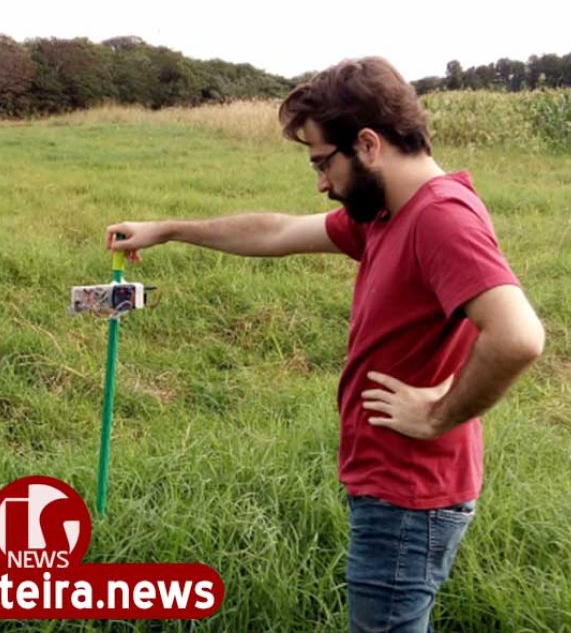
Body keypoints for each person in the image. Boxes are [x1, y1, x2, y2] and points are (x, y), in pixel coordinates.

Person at [105, 56, 545, 632]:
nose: (320, 183)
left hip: (409, 494)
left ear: (367, 143)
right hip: (394, 485)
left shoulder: (440, 217)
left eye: (322, 162)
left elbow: (519, 336)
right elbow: (278, 231)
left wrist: (440, 413)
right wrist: (170, 229)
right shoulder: (387, 212)